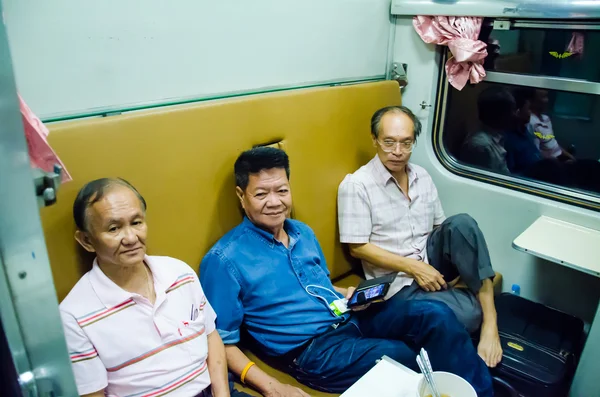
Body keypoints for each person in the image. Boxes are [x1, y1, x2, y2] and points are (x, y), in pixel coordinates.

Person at [199, 147, 493, 397]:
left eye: (282, 190)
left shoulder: (301, 231)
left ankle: (481, 392)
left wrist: (350, 294)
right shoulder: (225, 259)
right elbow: (221, 341)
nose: (275, 202)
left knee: (435, 315)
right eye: (261, 193)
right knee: (404, 354)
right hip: (312, 349)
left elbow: (319, 286)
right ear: (241, 195)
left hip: (351, 315)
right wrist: (271, 386)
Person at [337, 105, 503, 369]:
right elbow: (357, 247)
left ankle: (491, 322)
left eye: (406, 143)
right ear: (374, 139)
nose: (398, 152)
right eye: (389, 142)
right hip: (398, 283)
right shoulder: (356, 185)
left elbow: (442, 228)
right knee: (471, 314)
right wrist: (415, 268)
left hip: (431, 259)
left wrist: (433, 266)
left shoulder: (421, 176)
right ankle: (471, 306)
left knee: (462, 223)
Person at [59, 178, 233, 397]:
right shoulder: (74, 315)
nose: (131, 238)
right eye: (114, 228)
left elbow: (210, 335)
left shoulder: (180, 273)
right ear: (86, 240)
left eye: (137, 222)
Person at [460, 86, 512, 174]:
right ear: (500, 115)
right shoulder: (481, 146)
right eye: (510, 111)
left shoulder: (497, 136)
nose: (514, 115)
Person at [504, 88, 543, 174]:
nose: (531, 114)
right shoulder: (508, 140)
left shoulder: (525, 131)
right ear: (517, 112)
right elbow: (511, 173)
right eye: (528, 109)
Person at [529, 89, 575, 161]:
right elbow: (537, 154)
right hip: (549, 163)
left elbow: (553, 144)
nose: (547, 100)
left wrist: (570, 157)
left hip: (559, 158)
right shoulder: (531, 122)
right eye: (543, 97)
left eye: (547, 96)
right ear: (532, 101)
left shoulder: (546, 118)